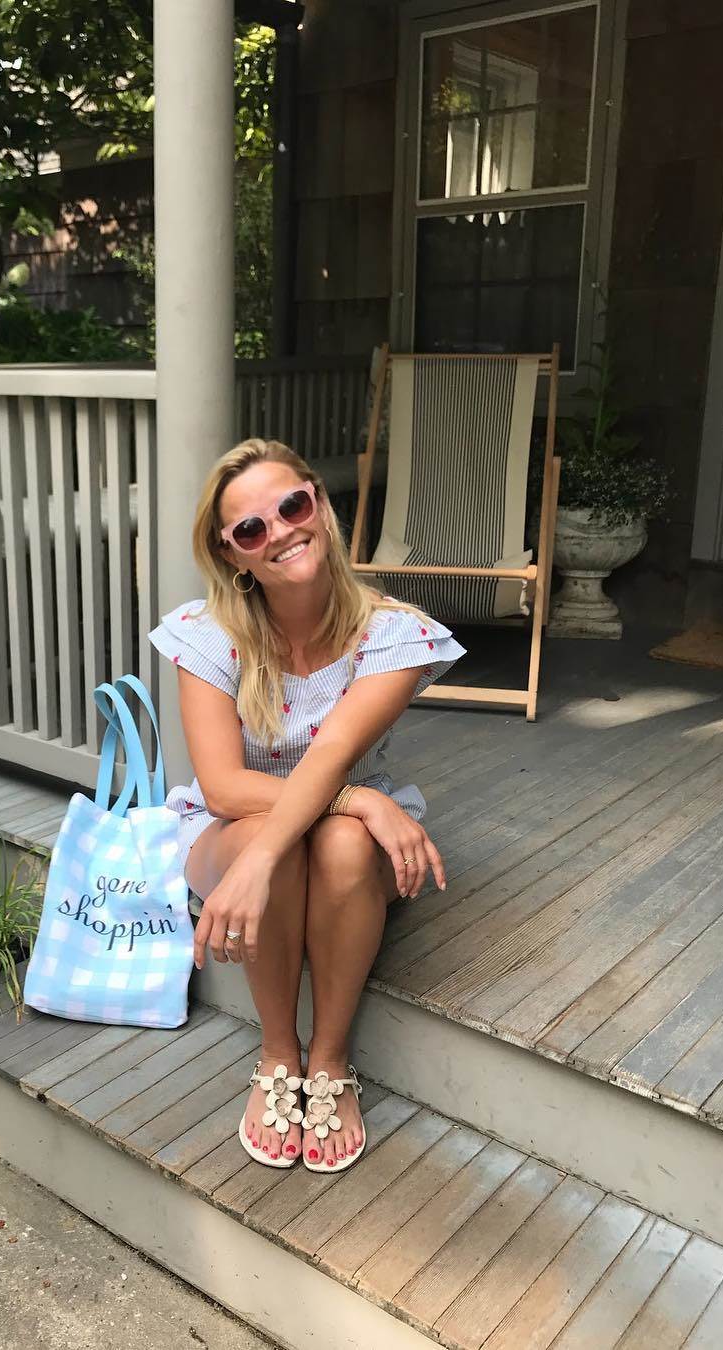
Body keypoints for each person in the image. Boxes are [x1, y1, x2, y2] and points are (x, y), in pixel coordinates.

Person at [149, 438, 465, 1175]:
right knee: (281, 833)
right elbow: (223, 787)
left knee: (338, 843)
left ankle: (328, 1060)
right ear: (231, 553)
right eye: (250, 528)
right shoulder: (208, 633)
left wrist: (319, 822)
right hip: (234, 827)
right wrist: (357, 801)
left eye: (292, 505)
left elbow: (332, 751)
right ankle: (277, 1052)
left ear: (319, 503)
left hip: (333, 846)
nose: (281, 531)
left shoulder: (393, 632)